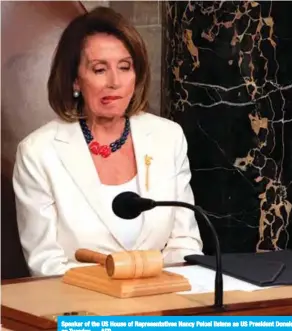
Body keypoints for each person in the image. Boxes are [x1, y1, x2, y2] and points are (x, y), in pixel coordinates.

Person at [13, 7, 203, 277]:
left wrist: (163, 298)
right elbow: (46, 265)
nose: (115, 82)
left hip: (162, 304)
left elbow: (184, 242)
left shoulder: (167, 137)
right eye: (100, 69)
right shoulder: (38, 152)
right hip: (81, 309)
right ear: (76, 80)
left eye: (125, 67)